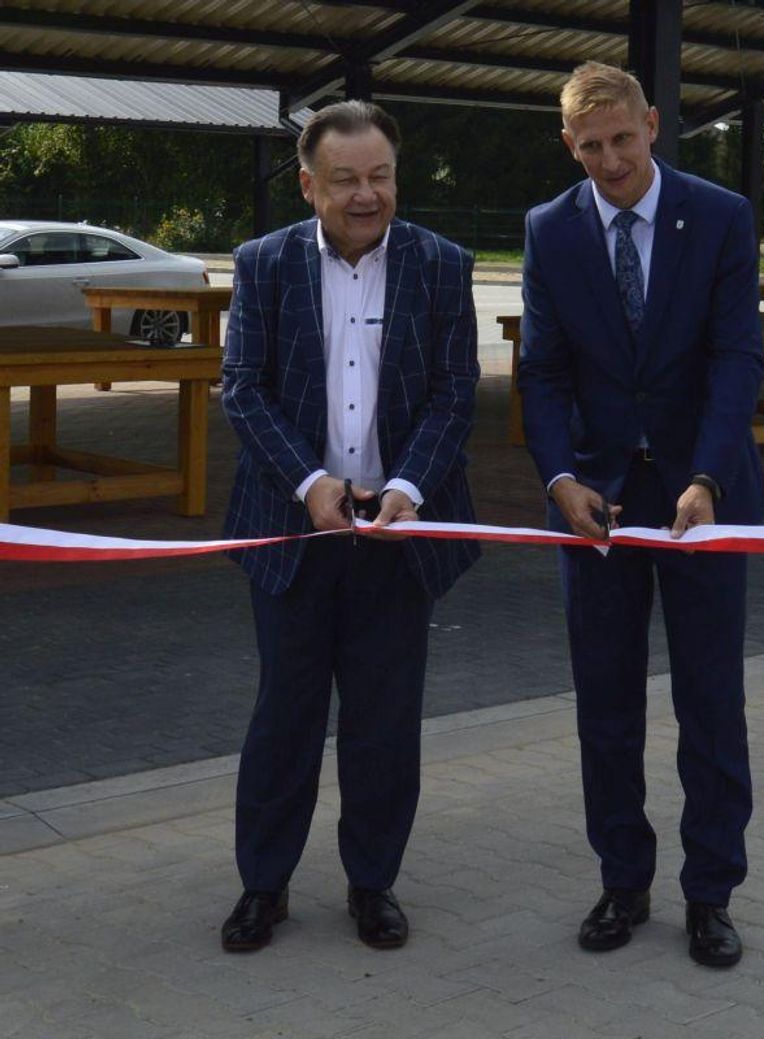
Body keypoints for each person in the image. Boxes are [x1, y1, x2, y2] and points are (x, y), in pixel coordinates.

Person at [517, 62, 764, 968]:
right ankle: (622, 880)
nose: (611, 160)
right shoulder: (550, 230)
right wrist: (557, 480)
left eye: (623, 138)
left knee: (711, 702)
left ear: (653, 123)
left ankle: (712, 893)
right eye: (591, 146)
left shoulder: (722, 216)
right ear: (568, 144)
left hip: (705, 500)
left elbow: (740, 357)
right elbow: (541, 371)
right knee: (607, 706)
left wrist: (708, 476)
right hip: (597, 507)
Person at [218, 100, 480, 952]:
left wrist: (405, 485)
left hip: (394, 536)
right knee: (284, 716)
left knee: (383, 719)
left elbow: (453, 392)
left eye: (381, 176)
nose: (367, 195)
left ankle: (373, 884)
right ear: (307, 185)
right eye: (345, 180)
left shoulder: (443, 265)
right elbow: (243, 389)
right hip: (294, 530)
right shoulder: (263, 264)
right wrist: (309, 482)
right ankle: (264, 885)